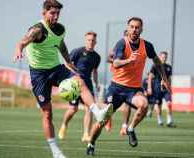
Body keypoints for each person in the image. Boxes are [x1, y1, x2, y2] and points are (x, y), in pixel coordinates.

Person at [13, 1, 112, 158]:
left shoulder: (60, 29)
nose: (56, 16)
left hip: (56, 68)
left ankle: (97, 112)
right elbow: (23, 41)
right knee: (47, 114)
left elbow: (61, 44)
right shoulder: (38, 30)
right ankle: (55, 151)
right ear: (44, 13)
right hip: (39, 75)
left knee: (80, 81)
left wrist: (68, 62)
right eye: (52, 13)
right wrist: (19, 50)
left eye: (58, 13)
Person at [85, 17, 170, 156]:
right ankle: (91, 142)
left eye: (137, 27)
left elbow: (157, 62)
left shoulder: (147, 46)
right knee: (102, 120)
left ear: (141, 29)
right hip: (117, 88)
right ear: (128, 28)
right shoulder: (121, 44)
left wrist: (164, 78)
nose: (134, 30)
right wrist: (129, 60)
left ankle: (130, 129)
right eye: (132, 27)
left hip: (134, 90)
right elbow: (116, 62)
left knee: (144, 104)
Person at [58, 31, 101, 142]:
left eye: (93, 40)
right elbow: (67, 63)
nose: (91, 42)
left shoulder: (97, 57)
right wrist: (72, 76)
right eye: (89, 40)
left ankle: (86, 134)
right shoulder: (78, 51)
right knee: (73, 109)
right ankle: (64, 125)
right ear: (85, 40)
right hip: (75, 83)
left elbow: (95, 71)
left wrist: (96, 84)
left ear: (95, 42)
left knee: (89, 109)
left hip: (88, 84)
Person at [147, 51, 175, 127]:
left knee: (169, 103)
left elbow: (169, 78)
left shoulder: (169, 67)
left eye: (165, 57)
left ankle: (169, 121)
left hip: (166, 89)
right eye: (163, 57)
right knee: (158, 105)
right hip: (157, 89)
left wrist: (170, 87)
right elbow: (150, 77)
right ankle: (159, 120)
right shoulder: (155, 66)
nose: (164, 58)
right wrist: (149, 87)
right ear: (159, 57)